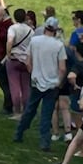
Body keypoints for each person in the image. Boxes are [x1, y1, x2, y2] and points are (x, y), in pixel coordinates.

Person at [14, 16, 66, 151]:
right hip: (52, 84)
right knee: (46, 114)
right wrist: (59, 82)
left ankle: (19, 133)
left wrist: (32, 73)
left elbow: (27, 61)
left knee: (30, 110)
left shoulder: (35, 41)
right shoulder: (59, 45)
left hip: (36, 82)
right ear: (55, 30)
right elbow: (62, 68)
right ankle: (44, 142)